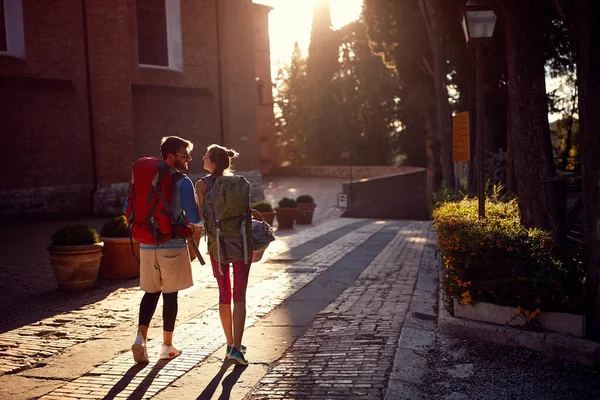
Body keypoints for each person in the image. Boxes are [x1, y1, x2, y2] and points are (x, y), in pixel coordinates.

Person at [130, 136, 203, 363]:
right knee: (170, 295)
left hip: (146, 244)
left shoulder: (143, 178)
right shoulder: (183, 181)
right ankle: (167, 346)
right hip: (172, 244)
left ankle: (140, 339)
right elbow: (194, 219)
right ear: (170, 156)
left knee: (150, 292)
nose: (189, 159)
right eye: (185, 155)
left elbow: (128, 208)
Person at [195, 144, 250, 366]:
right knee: (240, 296)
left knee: (224, 294)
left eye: (206, 157)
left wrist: (194, 246)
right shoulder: (239, 184)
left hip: (218, 246)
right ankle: (238, 345)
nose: (203, 159)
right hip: (241, 244)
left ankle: (229, 345)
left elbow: (199, 219)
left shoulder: (202, 184)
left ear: (213, 163)